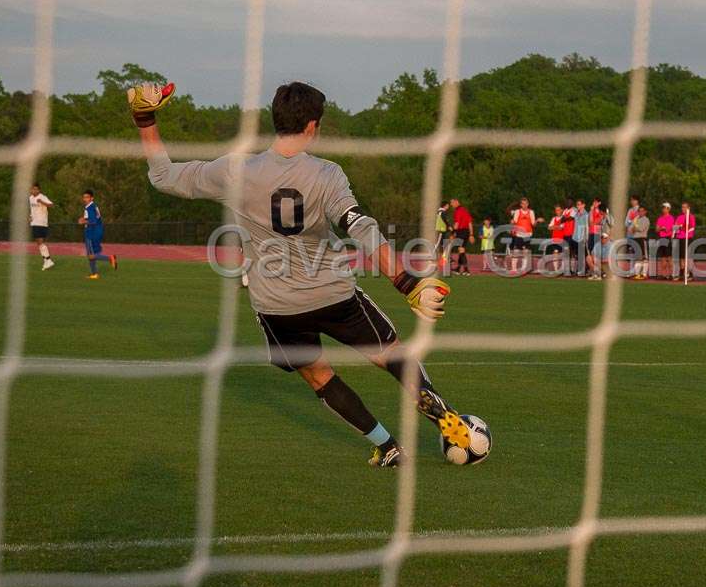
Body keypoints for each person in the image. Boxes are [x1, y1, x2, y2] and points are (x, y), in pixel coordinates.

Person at [129, 80, 468, 468]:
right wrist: (406, 282)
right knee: (390, 354)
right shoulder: (327, 174)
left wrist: (145, 118)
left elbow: (163, 177)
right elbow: (359, 226)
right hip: (332, 293)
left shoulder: (235, 170)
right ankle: (445, 418)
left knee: (319, 376)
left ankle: (387, 446)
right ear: (312, 126)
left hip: (276, 305)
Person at [78, 189, 117, 279]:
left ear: (92, 198)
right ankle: (94, 274)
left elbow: (93, 221)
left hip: (91, 233)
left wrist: (83, 221)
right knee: (92, 254)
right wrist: (84, 219)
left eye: (87, 197)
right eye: (84, 197)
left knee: (91, 255)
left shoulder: (89, 207)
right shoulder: (94, 206)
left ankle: (110, 258)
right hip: (97, 231)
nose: (85, 199)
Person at [509, 197, 540, 275]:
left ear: (528, 204)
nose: (524, 205)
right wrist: (512, 225)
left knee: (526, 252)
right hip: (519, 234)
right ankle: (514, 269)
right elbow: (514, 222)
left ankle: (524, 269)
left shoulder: (531, 212)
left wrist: (537, 221)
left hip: (527, 235)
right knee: (516, 252)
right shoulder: (517, 212)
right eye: (523, 203)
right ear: (520, 205)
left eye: (526, 203)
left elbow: (533, 224)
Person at [29, 183, 55, 271]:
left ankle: (48, 260)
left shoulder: (42, 197)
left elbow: (51, 205)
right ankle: (47, 261)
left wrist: (41, 201)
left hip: (41, 222)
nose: (34, 191)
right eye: (32, 189)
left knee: (40, 242)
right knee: (38, 242)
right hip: (34, 222)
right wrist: (30, 216)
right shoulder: (30, 198)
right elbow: (32, 210)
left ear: (39, 190)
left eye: (36, 189)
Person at [449, 197, 474, 276]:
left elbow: (456, 225)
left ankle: (466, 270)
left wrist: (452, 234)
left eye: (452, 203)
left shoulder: (458, 211)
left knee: (461, 250)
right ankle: (458, 269)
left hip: (461, 232)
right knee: (461, 250)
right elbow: (470, 223)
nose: (451, 205)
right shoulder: (465, 210)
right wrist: (471, 234)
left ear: (457, 202)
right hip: (466, 232)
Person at [673, 201, 696, 281]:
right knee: (681, 257)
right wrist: (679, 228)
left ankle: (689, 273)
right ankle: (682, 273)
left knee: (688, 257)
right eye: (682, 207)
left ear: (688, 208)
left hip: (688, 238)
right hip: (680, 238)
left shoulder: (691, 217)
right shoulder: (679, 217)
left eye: (685, 207)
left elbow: (691, 227)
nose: (683, 209)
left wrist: (683, 228)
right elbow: (675, 229)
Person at [568, 198, 589, 276]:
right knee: (575, 254)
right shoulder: (576, 213)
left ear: (583, 205)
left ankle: (583, 270)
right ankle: (577, 269)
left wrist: (586, 238)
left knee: (583, 254)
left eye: (579, 204)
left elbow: (587, 227)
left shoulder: (586, 215)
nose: (578, 206)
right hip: (574, 237)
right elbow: (570, 215)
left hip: (581, 238)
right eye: (577, 205)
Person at [654, 202, 674, 279]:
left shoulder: (671, 218)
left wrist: (662, 228)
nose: (663, 209)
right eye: (663, 208)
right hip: (661, 238)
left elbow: (668, 229)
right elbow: (657, 229)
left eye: (665, 208)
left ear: (668, 209)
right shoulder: (660, 218)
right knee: (662, 257)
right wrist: (662, 228)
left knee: (669, 258)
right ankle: (663, 274)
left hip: (668, 238)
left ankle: (671, 274)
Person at [630, 205, 650, 280]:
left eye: (642, 211)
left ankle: (644, 274)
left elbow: (641, 229)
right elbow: (631, 230)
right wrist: (635, 228)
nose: (640, 212)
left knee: (644, 257)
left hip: (642, 239)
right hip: (635, 239)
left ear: (645, 212)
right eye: (639, 211)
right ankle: (637, 273)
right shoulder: (636, 219)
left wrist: (635, 227)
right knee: (638, 257)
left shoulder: (646, 220)